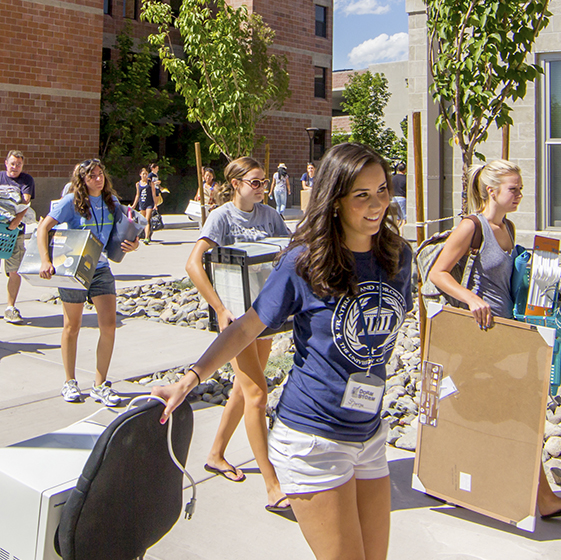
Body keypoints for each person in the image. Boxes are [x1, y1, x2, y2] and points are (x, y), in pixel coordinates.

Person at [154, 143, 411, 560]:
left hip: (369, 434)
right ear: (335, 199)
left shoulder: (399, 258)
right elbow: (245, 330)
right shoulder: (303, 262)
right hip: (314, 439)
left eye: (381, 190)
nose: (377, 203)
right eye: (361, 194)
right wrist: (190, 379)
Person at [428, 159, 561, 520]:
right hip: (476, 340)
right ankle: (542, 498)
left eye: (519, 188)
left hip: (502, 336)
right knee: (517, 415)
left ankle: (456, 482)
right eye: (514, 188)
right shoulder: (472, 227)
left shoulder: (509, 229)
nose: (520, 194)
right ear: (492, 191)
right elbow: (437, 273)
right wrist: (472, 299)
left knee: (482, 414)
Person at [186, 157, 291, 513]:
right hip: (236, 325)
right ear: (236, 184)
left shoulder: (270, 215)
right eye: (256, 182)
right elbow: (192, 263)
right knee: (257, 395)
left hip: (264, 319)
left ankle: (215, 454)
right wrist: (218, 307)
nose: (262, 188)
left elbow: (288, 255)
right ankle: (273, 486)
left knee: (243, 391)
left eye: (264, 182)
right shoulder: (221, 218)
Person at [37, 159, 140, 406]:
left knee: (109, 325)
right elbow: (43, 228)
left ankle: (100, 384)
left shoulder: (111, 202)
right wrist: (45, 260)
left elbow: (128, 228)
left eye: (100, 174)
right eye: (92, 175)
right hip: (74, 269)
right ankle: (69, 381)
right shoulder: (70, 203)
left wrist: (134, 244)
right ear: (82, 179)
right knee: (72, 326)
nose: (98, 178)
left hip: (101, 268)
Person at [0, 150, 35, 323]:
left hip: (13, 233)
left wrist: (16, 222)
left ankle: (10, 307)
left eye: (18, 164)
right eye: (12, 163)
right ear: (6, 163)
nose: (15, 167)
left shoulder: (26, 180)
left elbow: (25, 203)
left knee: (14, 271)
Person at [131, 167, 157, 244]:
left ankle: (146, 237)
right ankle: (141, 235)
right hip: (142, 203)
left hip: (149, 204)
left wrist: (155, 204)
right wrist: (134, 205)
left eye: (146, 174)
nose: (145, 175)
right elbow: (137, 195)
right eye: (143, 174)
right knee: (142, 221)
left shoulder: (150, 183)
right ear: (140, 175)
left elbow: (153, 194)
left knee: (147, 220)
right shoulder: (138, 184)